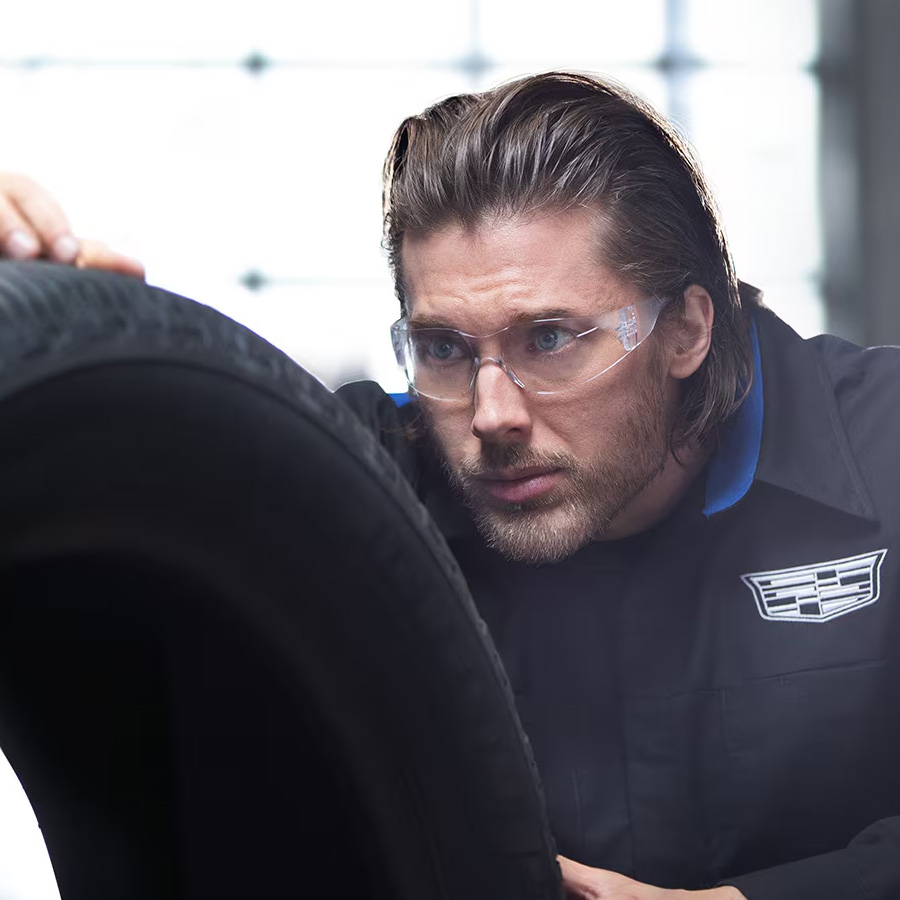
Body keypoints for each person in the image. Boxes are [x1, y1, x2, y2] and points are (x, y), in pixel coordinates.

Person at [2, 72, 899, 900]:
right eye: (444, 350)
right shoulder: (348, 485)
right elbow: (86, 528)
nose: (491, 414)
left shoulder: (884, 444)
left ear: (687, 331)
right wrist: (42, 326)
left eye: (549, 338)